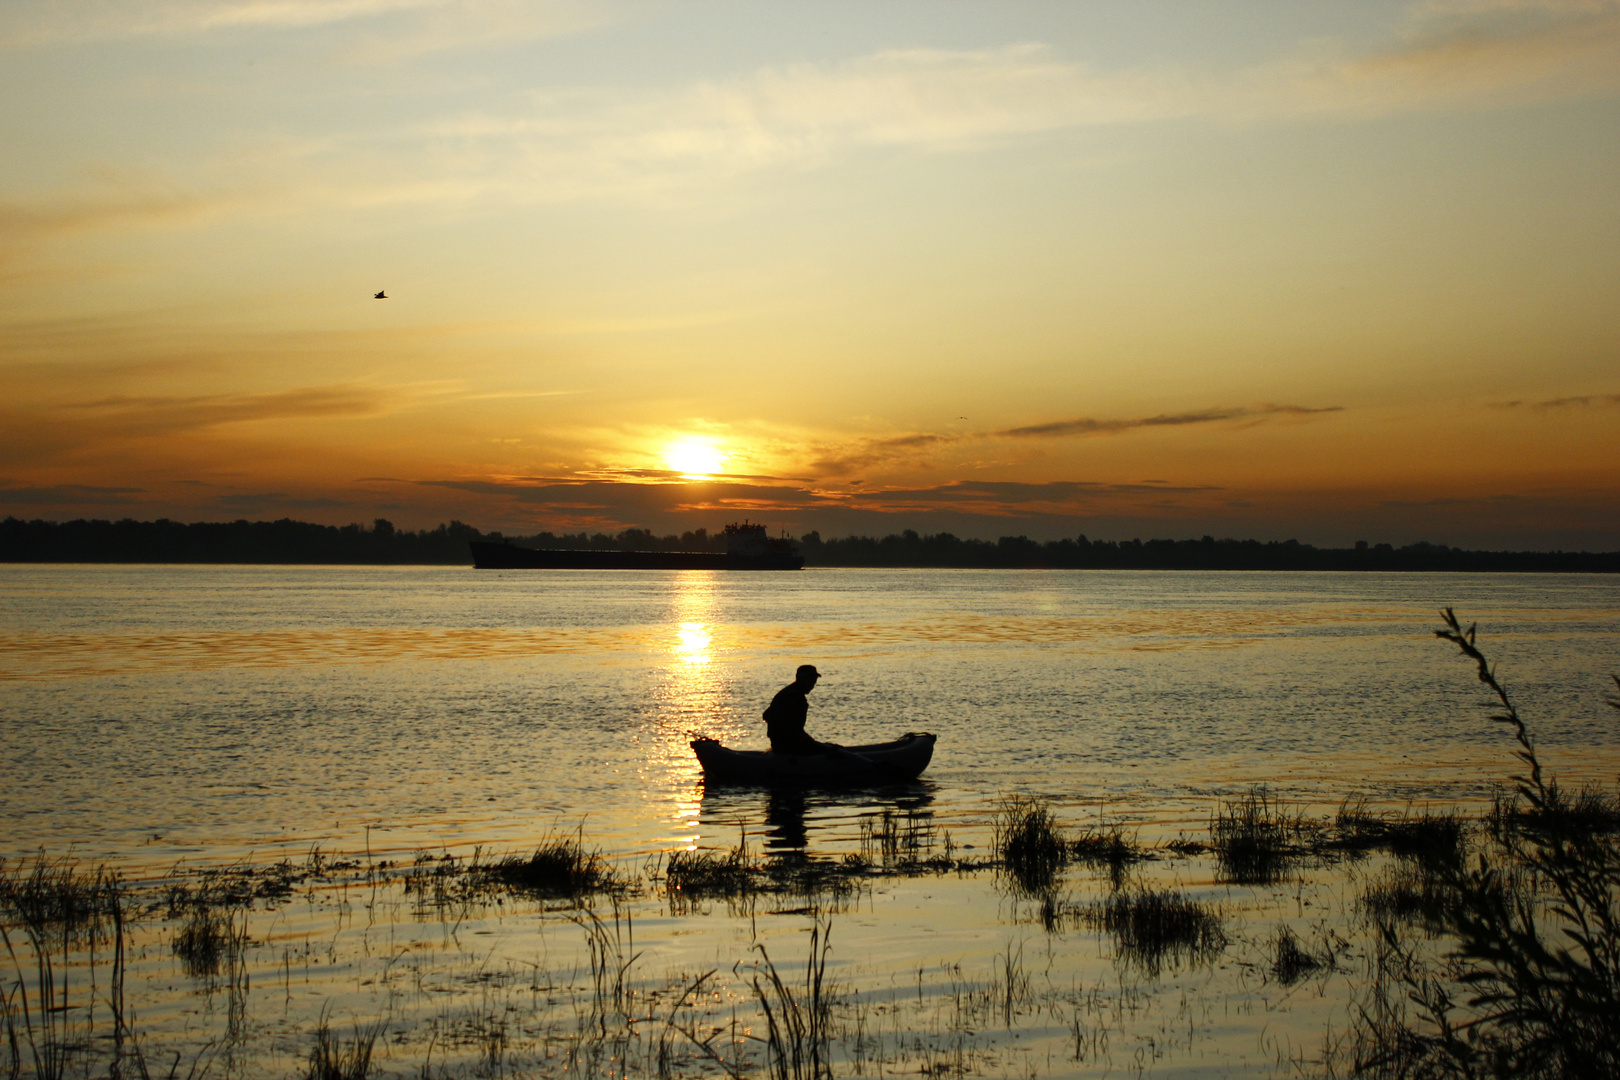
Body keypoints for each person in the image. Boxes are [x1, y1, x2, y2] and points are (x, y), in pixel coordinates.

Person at [763, 664, 826, 755]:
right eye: (811, 679)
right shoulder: (796, 697)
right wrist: (807, 739)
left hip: (780, 743)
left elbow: (766, 715)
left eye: (814, 679)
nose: (813, 683)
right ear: (801, 679)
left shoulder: (788, 691)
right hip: (788, 746)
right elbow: (791, 728)